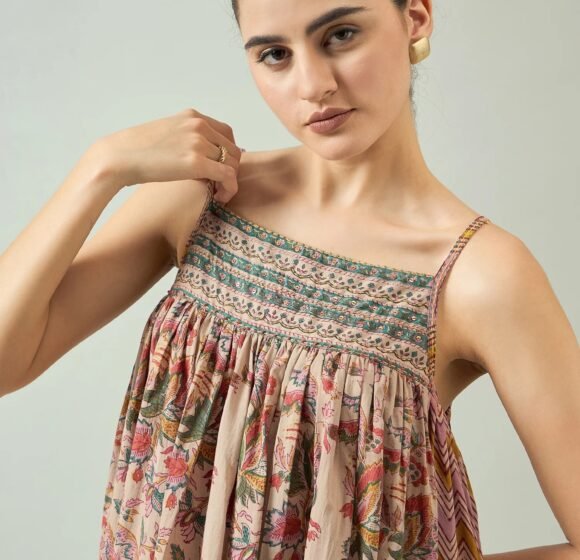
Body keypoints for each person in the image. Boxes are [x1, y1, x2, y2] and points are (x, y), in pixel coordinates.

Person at [0, 0, 578, 558]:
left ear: (416, 16)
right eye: (275, 54)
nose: (312, 84)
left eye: (341, 35)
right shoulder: (204, 197)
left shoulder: (478, 275)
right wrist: (99, 169)